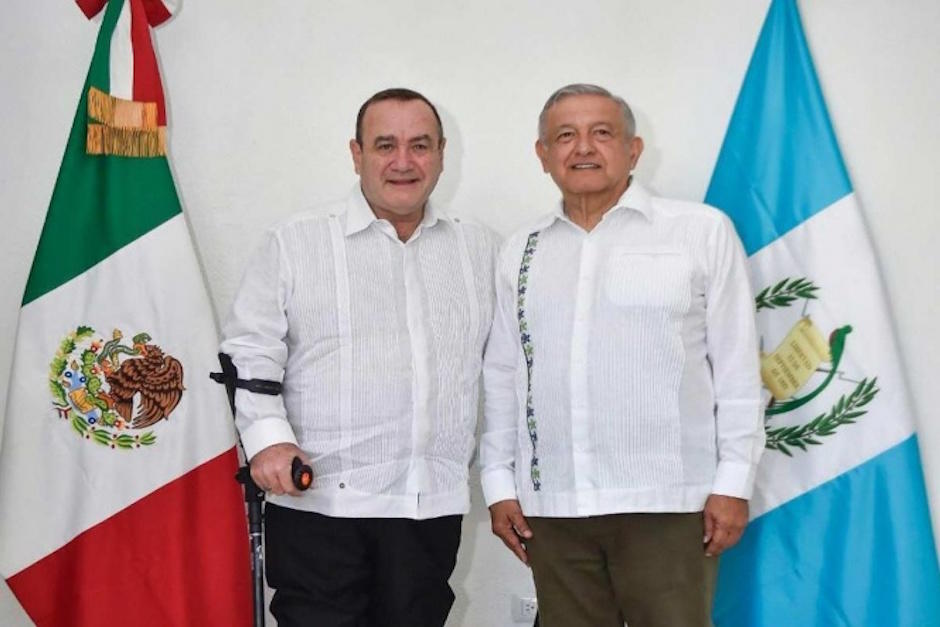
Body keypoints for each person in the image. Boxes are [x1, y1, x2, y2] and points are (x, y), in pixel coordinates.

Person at [481, 84, 764, 627]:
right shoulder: (521, 249)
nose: (583, 147)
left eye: (601, 133)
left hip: (670, 508)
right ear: (543, 155)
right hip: (555, 510)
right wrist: (498, 484)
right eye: (565, 136)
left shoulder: (699, 232)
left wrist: (733, 484)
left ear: (633, 150)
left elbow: (737, 371)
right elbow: (503, 373)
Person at [220, 88, 498, 627]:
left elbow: (506, 370)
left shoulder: (480, 249)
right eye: (385, 145)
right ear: (356, 154)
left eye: (419, 145)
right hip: (320, 505)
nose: (402, 162)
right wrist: (270, 442)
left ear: (442, 153)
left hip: (428, 507)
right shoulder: (295, 242)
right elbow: (250, 351)